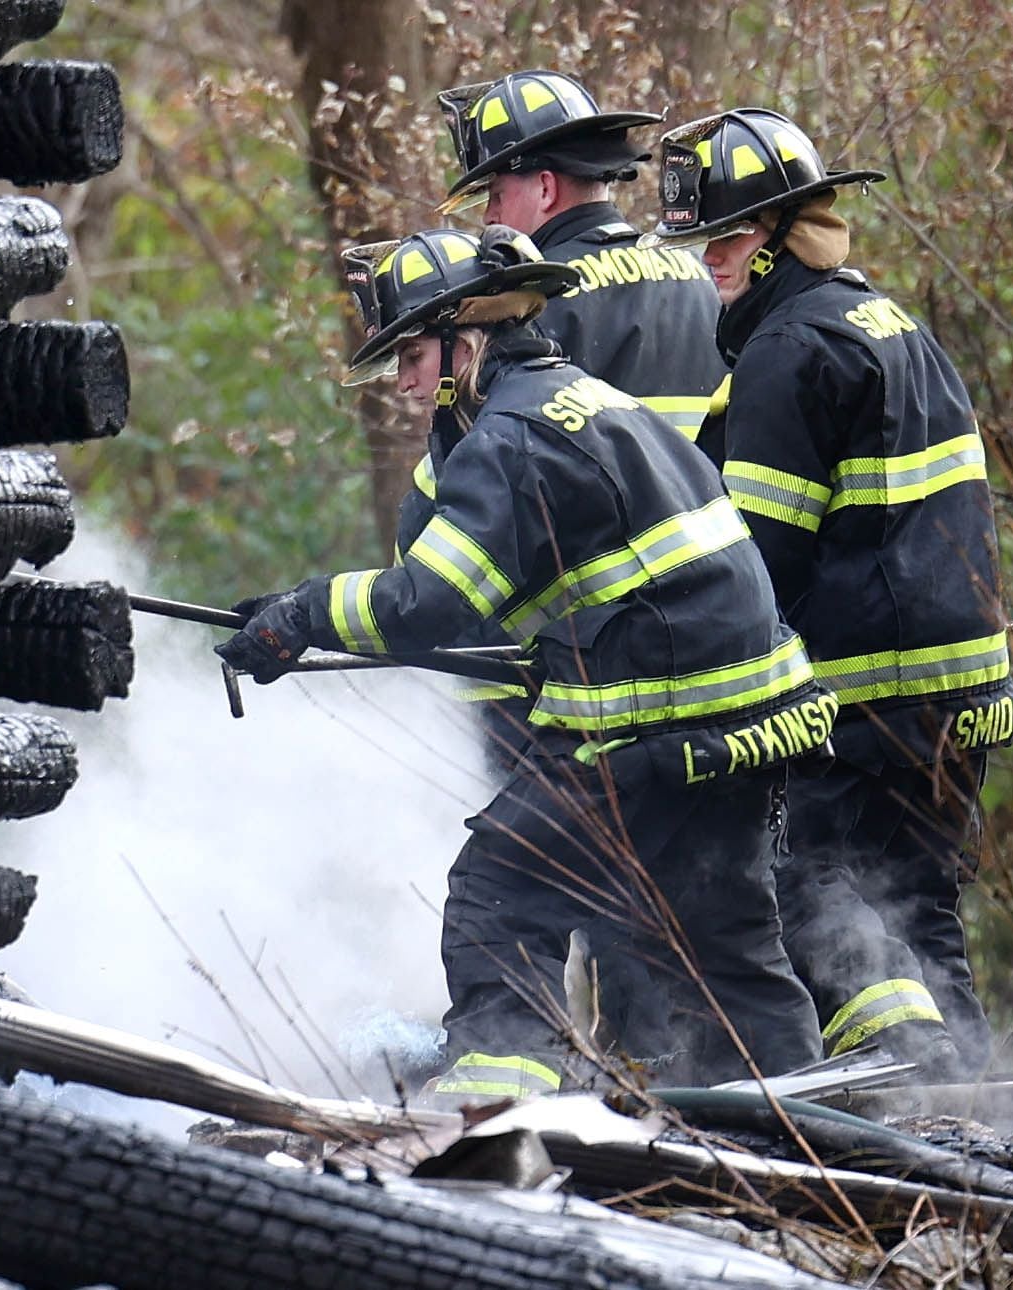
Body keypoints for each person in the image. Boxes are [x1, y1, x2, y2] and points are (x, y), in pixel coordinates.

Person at [217, 225, 830, 1095]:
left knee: (500, 896)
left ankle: (499, 1109)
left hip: (653, 723)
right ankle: (814, 1131)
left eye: (412, 355)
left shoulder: (511, 437)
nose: (402, 382)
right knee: (721, 940)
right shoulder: (586, 400)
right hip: (750, 717)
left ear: (467, 336)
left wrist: (307, 613)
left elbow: (432, 602)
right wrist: (294, 617)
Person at [642, 108, 1013, 1077]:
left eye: (728, 240)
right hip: (960, 700)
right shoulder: (893, 325)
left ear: (781, 235)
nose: (711, 263)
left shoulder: (785, 354)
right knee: (919, 910)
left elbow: (754, 559)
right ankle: (976, 1126)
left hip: (862, 705)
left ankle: (903, 1070)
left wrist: (669, 663)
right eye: (704, 244)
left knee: (804, 882)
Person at [436, 69, 730, 452]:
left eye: (496, 195)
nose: (488, 217)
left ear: (545, 188)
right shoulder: (706, 275)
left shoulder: (537, 300)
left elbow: (500, 459)